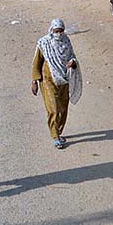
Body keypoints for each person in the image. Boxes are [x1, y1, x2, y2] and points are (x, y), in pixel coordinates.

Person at [31, 20, 82, 149]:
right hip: (48, 80)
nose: (58, 34)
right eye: (56, 31)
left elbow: (72, 57)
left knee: (63, 108)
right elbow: (37, 62)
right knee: (53, 109)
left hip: (64, 79)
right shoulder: (44, 43)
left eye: (61, 31)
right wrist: (34, 81)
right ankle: (55, 136)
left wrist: (72, 63)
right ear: (51, 31)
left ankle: (58, 131)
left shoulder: (66, 42)